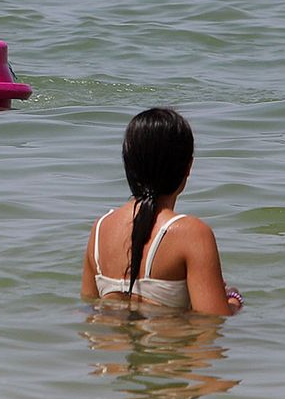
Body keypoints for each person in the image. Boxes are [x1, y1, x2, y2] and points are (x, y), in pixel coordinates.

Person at [80, 108, 243, 317]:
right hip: (167, 346)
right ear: (188, 167)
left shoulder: (101, 228)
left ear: (129, 165)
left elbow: (89, 307)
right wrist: (232, 300)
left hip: (108, 348)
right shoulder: (191, 233)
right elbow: (212, 324)